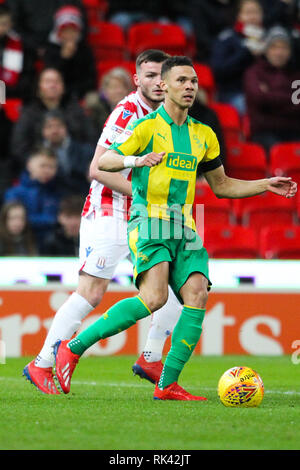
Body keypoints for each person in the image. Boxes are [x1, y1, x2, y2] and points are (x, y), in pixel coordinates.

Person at [52, 56, 297, 400]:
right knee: (155, 298)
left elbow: (222, 186)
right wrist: (136, 160)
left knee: (197, 292)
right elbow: (104, 162)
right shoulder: (147, 127)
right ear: (164, 86)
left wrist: (265, 183)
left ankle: (167, 383)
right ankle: (72, 347)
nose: (190, 87)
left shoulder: (203, 134)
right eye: (182, 80)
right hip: (149, 220)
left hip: (184, 224)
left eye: (194, 81)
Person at [22, 49, 184, 395]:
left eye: (163, 75)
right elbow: (96, 169)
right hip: (110, 210)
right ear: (137, 79)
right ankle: (42, 363)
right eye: (150, 75)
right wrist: (149, 197)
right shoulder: (127, 112)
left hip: (142, 215)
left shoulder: (167, 115)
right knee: (92, 291)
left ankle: (151, 358)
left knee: (173, 291)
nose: (158, 82)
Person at [10, 67, 97, 173]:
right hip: (39, 172)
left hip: (76, 170)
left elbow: (91, 140)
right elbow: (19, 147)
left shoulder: (76, 111)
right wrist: (35, 163)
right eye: (47, 81)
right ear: (39, 87)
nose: (52, 85)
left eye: (57, 81)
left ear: (63, 87)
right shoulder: (28, 114)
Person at [244, 25, 300, 153]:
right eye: (274, 47)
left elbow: (298, 105)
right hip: (264, 133)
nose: (279, 52)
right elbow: (258, 98)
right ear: (266, 49)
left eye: (284, 47)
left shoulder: (296, 75)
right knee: (280, 153)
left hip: (294, 131)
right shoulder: (254, 72)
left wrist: (270, 95)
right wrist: (288, 98)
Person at [210, 0, 266, 115]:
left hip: (265, 91)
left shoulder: (270, 38)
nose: (253, 17)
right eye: (248, 12)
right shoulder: (227, 38)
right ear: (239, 15)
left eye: (256, 12)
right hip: (234, 92)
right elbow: (219, 71)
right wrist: (246, 53)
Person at [4, 147, 63, 251]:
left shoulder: (58, 192)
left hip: (53, 249)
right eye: (43, 165)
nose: (47, 170)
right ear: (29, 165)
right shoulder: (14, 193)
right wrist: (54, 221)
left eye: (52, 167)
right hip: (22, 247)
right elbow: (14, 222)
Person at [44, 5, 97, 100]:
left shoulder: (85, 50)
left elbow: (91, 79)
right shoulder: (50, 50)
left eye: (73, 31)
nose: (69, 35)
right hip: (56, 93)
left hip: (80, 94)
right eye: (65, 31)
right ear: (58, 33)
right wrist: (64, 58)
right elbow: (50, 76)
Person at [40, 109, 93, 197]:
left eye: (58, 126)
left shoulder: (84, 151)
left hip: (81, 198)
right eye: (49, 127)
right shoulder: (36, 154)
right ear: (42, 130)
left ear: (66, 128)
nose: (54, 131)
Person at [0, 3, 24, 97]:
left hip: (11, 94)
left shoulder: (19, 44)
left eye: (4, 24)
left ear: (11, 24)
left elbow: (23, 80)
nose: (0, 28)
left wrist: (1, 95)